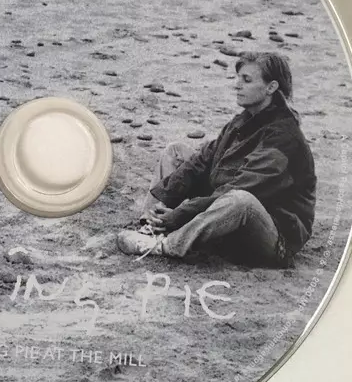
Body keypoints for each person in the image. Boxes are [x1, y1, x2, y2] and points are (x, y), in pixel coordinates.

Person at [117, 51, 316, 268]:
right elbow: (202, 160)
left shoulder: (284, 137)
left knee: (241, 199)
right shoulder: (243, 120)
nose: (237, 85)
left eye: (247, 80)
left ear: (271, 87)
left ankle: (165, 246)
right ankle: (151, 225)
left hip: (273, 236)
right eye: (238, 78)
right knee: (176, 152)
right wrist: (166, 205)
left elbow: (244, 187)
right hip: (229, 221)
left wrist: (179, 214)